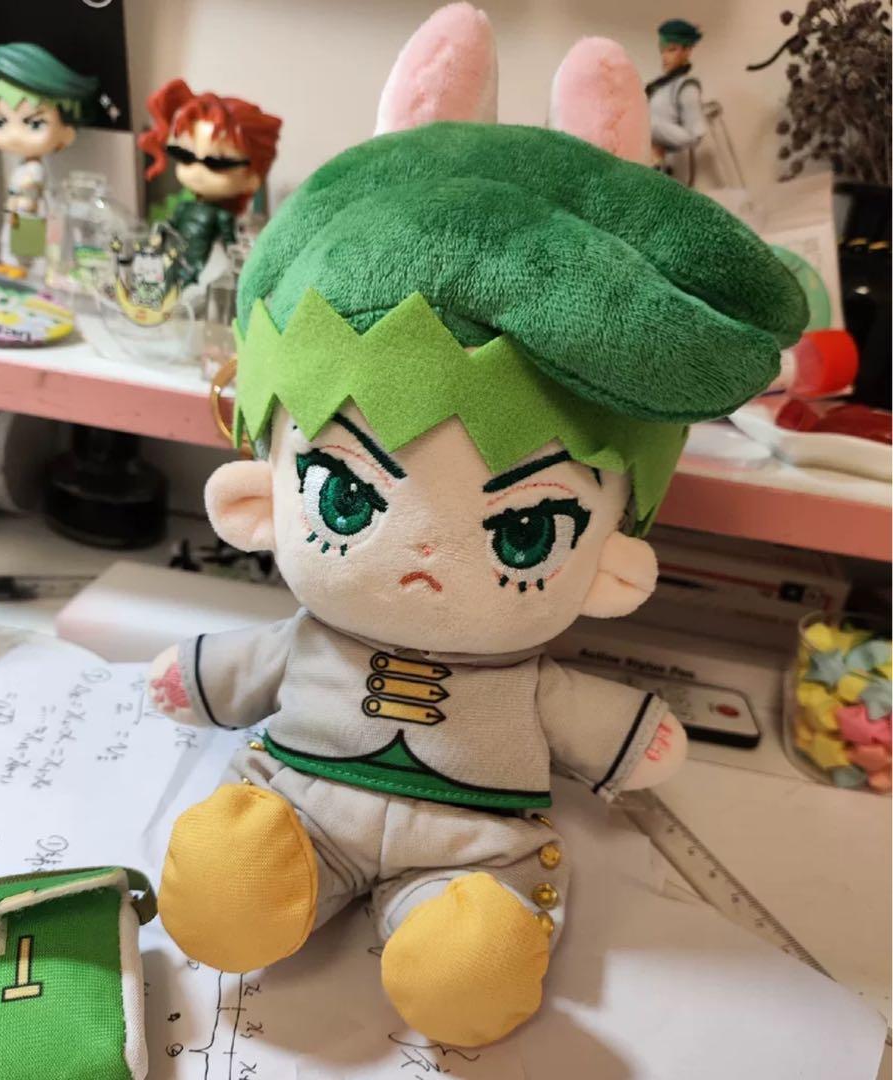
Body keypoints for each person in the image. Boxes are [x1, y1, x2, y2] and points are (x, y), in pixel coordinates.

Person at [144, 5, 806, 1050]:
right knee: (230, 885)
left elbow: (580, 718)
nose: (421, 558)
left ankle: (462, 934)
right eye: (348, 498)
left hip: (473, 843)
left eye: (526, 533)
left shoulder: (524, 676)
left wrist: (631, 737)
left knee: (469, 966)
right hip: (305, 806)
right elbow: (252, 665)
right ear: (257, 504)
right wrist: (193, 673)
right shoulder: (313, 634)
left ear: (611, 567)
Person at [138, 80, 281, 289]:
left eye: (217, 163)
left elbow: (231, 246)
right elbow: (170, 226)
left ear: (252, 178)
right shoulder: (184, 207)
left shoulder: (223, 216)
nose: (197, 171)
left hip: (207, 268)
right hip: (175, 258)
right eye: (184, 155)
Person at [0, 42, 99, 271]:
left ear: (67, 130)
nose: (14, 135)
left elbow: (29, 207)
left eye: (34, 124)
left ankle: (21, 265)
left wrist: (24, 209)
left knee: (27, 244)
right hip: (22, 218)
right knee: (14, 237)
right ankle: (14, 263)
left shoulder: (34, 172)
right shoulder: (25, 167)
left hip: (30, 221)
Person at [646, 18, 706, 181]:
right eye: (662, 50)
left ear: (687, 51)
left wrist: (653, 131)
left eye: (671, 50)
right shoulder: (658, 86)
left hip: (667, 171)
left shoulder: (687, 87)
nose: (665, 56)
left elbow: (695, 134)